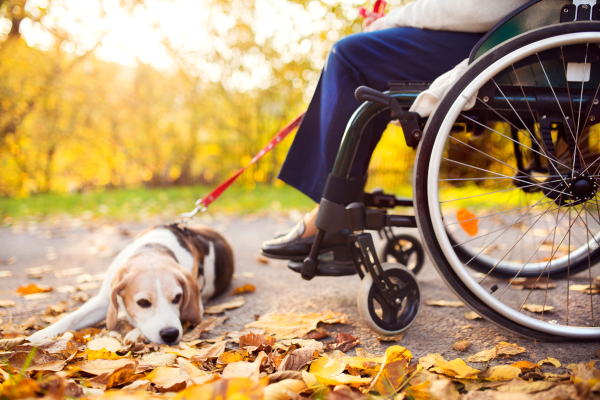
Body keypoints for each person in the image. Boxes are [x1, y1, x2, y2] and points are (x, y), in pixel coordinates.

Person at [261, 0, 531, 260]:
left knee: (347, 56)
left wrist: (387, 23)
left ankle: (332, 211)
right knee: (359, 59)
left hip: (493, 40)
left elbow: (474, 8)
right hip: (503, 35)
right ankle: (338, 207)